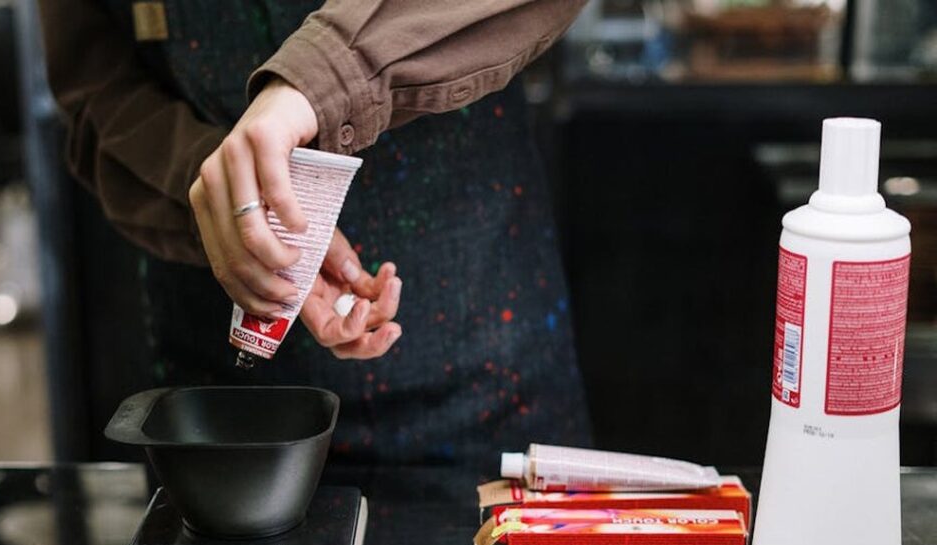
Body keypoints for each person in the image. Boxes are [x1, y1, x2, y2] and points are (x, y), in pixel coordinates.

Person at [38, 0, 594, 464]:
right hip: (226, 420)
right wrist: (225, 191)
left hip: (489, 371)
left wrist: (317, 83)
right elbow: (97, 89)